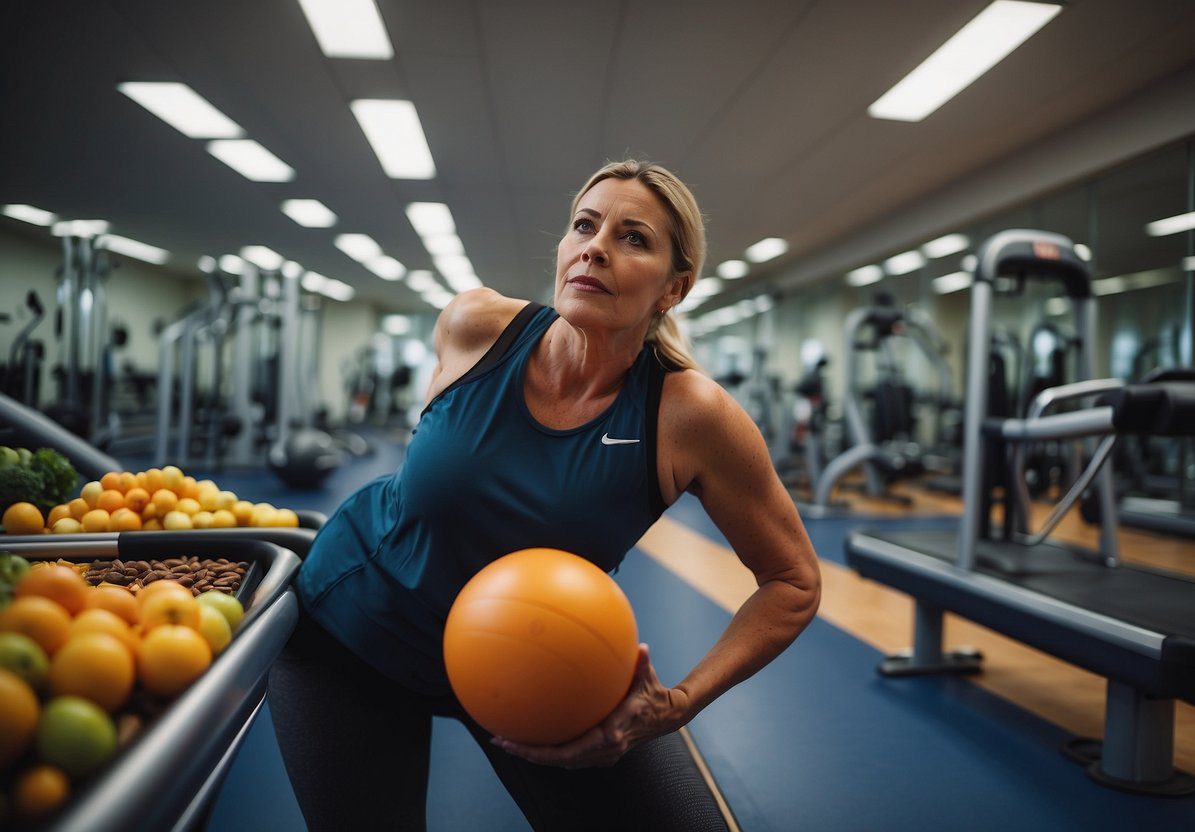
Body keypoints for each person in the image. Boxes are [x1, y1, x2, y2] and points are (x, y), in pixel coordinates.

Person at [268, 160, 822, 831]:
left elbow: (791, 580)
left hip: (538, 660)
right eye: (583, 226)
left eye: (632, 237)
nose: (594, 246)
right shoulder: (474, 325)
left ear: (673, 289)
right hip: (354, 631)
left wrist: (678, 703)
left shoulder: (689, 415)